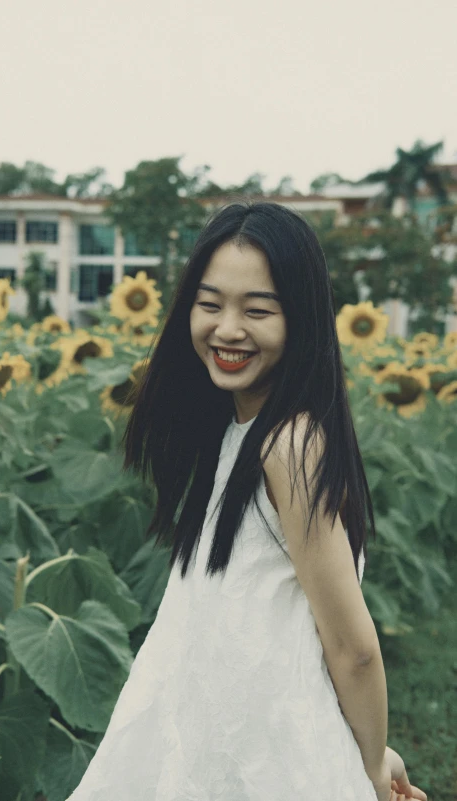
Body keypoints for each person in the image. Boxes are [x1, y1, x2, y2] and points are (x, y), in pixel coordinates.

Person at [66, 202, 428, 801]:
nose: (227, 329)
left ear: (303, 320)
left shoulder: (290, 443)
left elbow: (352, 647)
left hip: (263, 758)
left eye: (257, 310)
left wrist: (365, 764)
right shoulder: (238, 431)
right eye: (209, 305)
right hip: (231, 742)